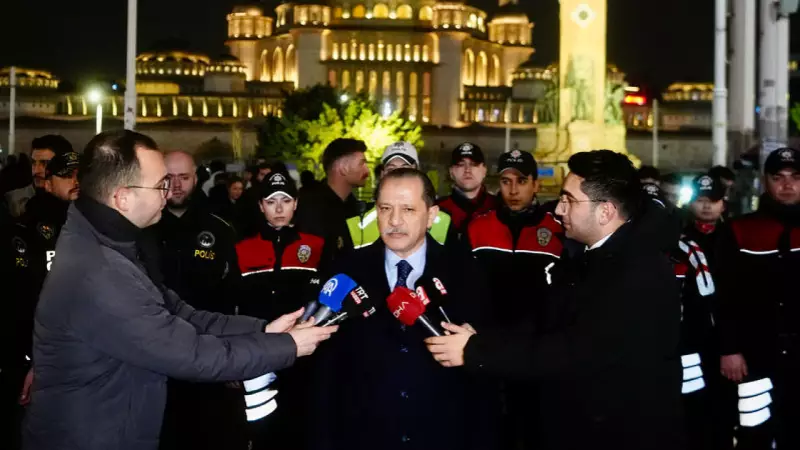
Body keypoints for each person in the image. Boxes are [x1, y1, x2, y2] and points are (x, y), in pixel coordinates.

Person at [23, 130, 337, 450]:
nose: (168, 191)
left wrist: (264, 330)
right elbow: (189, 353)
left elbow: (182, 314)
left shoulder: (114, 243)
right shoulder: (99, 272)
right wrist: (286, 346)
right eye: (161, 184)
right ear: (123, 198)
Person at [426, 150, 686, 450]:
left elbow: (571, 351)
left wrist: (476, 352)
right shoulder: (593, 258)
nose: (559, 210)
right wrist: (481, 339)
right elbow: (545, 322)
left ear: (605, 212)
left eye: (569, 200)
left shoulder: (636, 272)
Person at [309, 168, 499, 450]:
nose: (394, 221)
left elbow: (486, 375)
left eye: (408, 209)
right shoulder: (346, 270)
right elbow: (326, 370)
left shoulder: (465, 271)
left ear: (431, 215)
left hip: (444, 434)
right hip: (363, 435)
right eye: (385, 209)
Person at [464, 149, 564, 449]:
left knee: (534, 424)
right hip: (488, 344)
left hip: (538, 347)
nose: (513, 189)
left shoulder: (556, 230)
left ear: (535, 184)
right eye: (506, 181)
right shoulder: (477, 227)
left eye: (521, 181)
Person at [149, 151, 247, 450]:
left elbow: (235, 295)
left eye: (184, 178)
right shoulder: (143, 228)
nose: (176, 186)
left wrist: (236, 353)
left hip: (209, 356)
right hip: (155, 358)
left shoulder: (221, 229)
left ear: (197, 178)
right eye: (169, 178)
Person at [716, 147, 800, 450]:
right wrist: (729, 349)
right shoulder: (740, 230)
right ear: (766, 181)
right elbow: (724, 294)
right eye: (778, 177)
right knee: (755, 434)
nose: (787, 184)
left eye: (795, 177)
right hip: (756, 355)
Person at [235, 172, 326, 450]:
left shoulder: (315, 245)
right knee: (262, 431)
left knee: (303, 428)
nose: (278, 208)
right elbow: (232, 304)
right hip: (258, 353)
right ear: (261, 205)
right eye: (271, 201)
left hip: (306, 357)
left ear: (295, 204)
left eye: (285, 200)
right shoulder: (241, 247)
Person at [671, 175, 730, 450]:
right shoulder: (677, 242)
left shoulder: (733, 238)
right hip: (690, 340)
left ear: (723, 204)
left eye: (713, 201)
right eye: (700, 200)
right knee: (693, 410)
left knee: (725, 411)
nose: (706, 207)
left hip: (728, 339)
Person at [346, 141, 453, 250]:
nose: (398, 175)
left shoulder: (443, 221)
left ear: (418, 172)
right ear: (382, 174)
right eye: (391, 169)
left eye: (405, 169)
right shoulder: (358, 221)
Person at [294, 138, 369, 262]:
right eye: (362, 163)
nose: (367, 171)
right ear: (343, 168)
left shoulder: (354, 207)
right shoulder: (311, 208)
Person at [436, 142, 499, 235]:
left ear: (484, 170)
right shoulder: (438, 209)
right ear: (451, 172)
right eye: (461, 164)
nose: (467, 170)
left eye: (474, 164)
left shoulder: (498, 207)